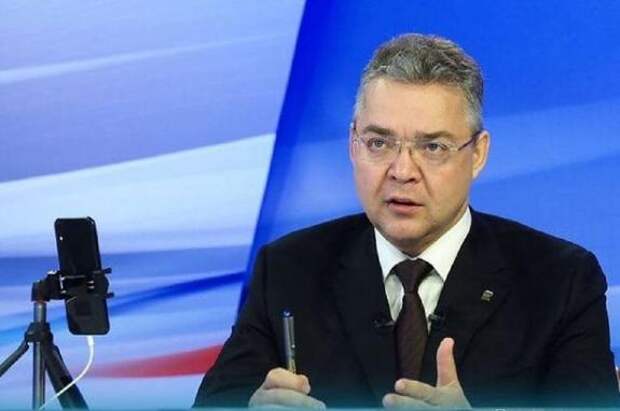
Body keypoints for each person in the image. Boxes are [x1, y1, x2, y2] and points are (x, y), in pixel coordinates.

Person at [194, 33, 619, 408]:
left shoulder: (560, 280)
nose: (402, 171)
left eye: (432, 147)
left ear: (478, 154)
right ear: (353, 144)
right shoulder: (289, 268)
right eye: (379, 143)